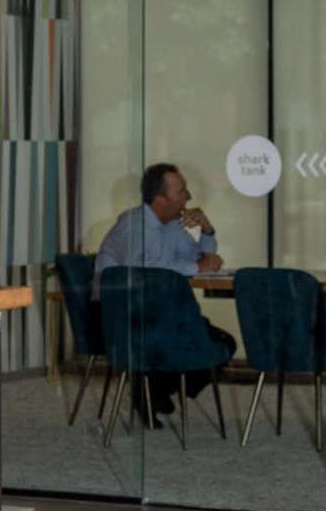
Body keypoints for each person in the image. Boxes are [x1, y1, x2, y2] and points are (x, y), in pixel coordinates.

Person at [96, 162, 230, 424]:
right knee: (209, 343)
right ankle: (153, 389)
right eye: (182, 192)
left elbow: (200, 257)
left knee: (223, 343)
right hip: (127, 319)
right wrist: (197, 266)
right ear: (160, 200)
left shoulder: (169, 226)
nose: (188, 198)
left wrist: (207, 229)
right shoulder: (134, 226)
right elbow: (148, 272)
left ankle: (154, 390)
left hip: (160, 314)